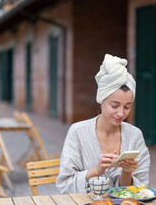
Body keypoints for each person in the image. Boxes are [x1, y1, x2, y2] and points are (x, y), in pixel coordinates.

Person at [56, 54, 150, 194]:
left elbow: (138, 190)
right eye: (114, 106)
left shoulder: (134, 135)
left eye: (127, 107)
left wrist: (126, 172)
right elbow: (64, 185)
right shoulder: (78, 132)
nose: (121, 113)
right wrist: (97, 170)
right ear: (101, 100)